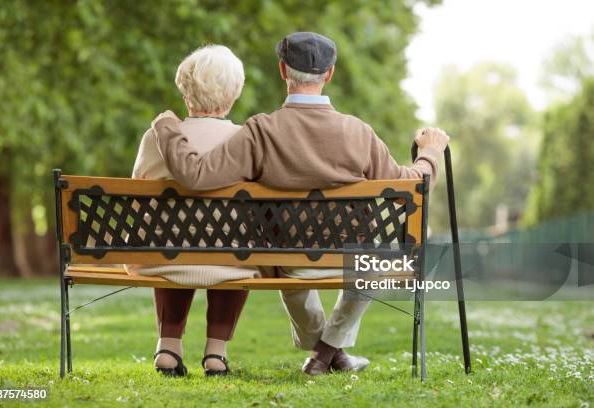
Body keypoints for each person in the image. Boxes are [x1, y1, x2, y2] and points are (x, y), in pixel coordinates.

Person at [151, 32, 450, 375]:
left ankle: (325, 353)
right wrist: (430, 152)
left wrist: (168, 129)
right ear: (329, 74)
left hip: (290, 263)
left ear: (282, 70)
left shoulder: (260, 131)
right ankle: (328, 352)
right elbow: (414, 185)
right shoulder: (358, 133)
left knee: (289, 250)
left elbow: (197, 175)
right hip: (355, 263)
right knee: (372, 260)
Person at [128, 44, 259, 377]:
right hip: (230, 261)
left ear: (185, 94)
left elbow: (137, 189)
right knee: (232, 243)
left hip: (164, 257)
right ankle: (216, 353)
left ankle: (168, 348)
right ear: (234, 94)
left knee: (171, 235)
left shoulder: (155, 138)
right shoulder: (245, 139)